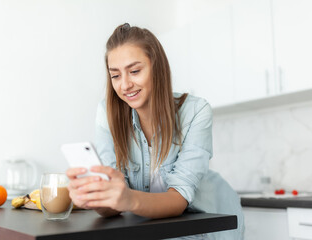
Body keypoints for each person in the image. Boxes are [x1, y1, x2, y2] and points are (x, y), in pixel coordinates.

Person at [66, 23, 244, 239]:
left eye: (134, 71)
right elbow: (115, 204)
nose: (125, 85)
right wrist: (96, 198)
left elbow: (178, 199)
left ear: (157, 67)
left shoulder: (196, 112)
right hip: (152, 228)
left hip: (209, 221)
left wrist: (128, 199)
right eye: (115, 76)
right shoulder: (107, 114)